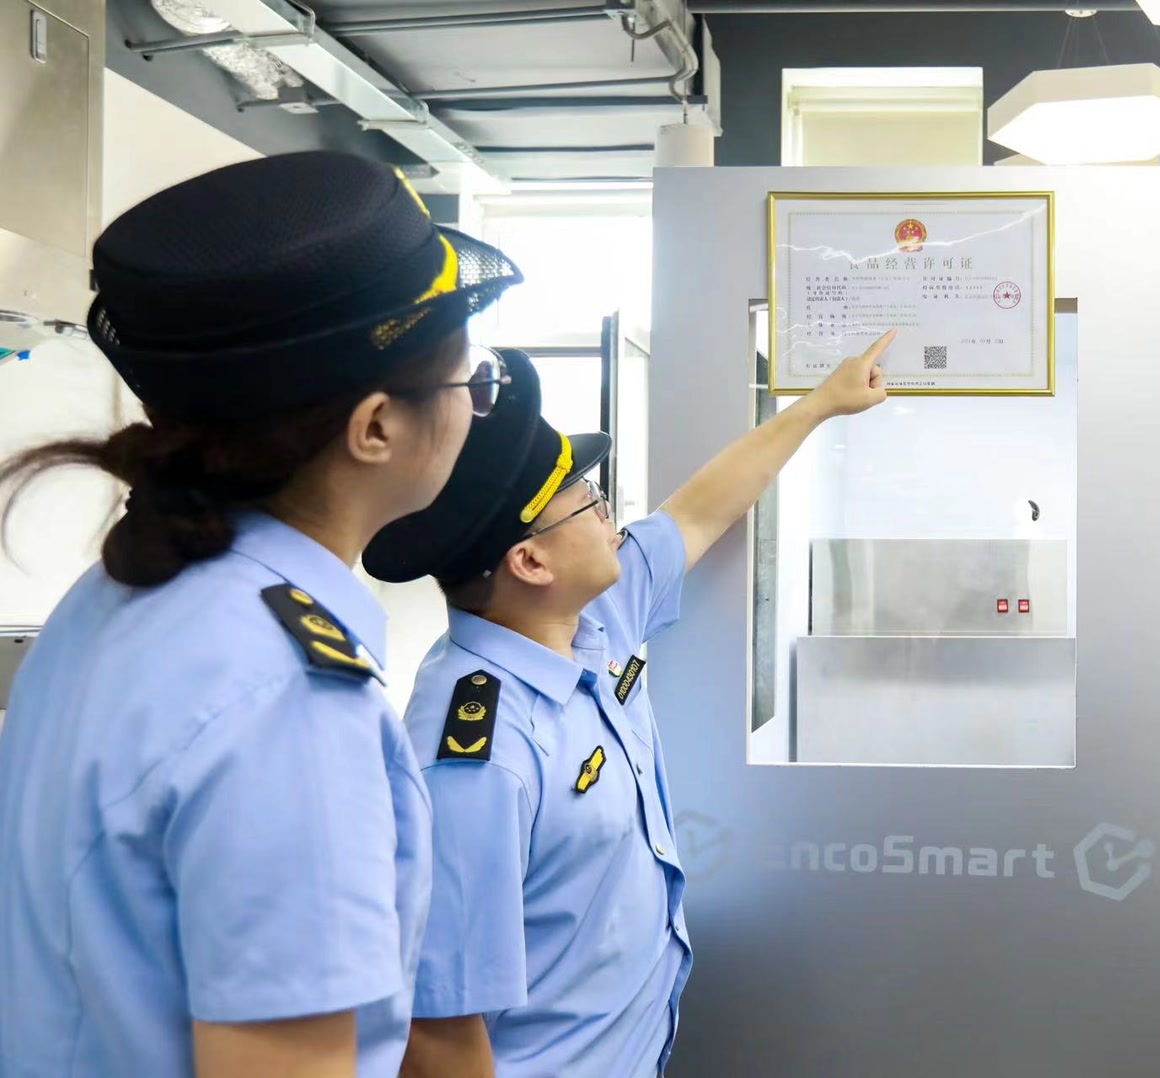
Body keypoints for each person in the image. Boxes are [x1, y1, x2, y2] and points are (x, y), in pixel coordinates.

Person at [0, 152, 522, 1078]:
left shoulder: (120, 599)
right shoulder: (289, 696)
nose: (476, 413)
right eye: (471, 386)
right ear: (376, 426)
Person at [362, 335, 892, 1077]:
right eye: (589, 502)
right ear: (530, 561)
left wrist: (821, 403)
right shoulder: (477, 760)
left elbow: (698, 512)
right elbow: (437, 1028)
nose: (612, 516)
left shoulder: (594, 618)